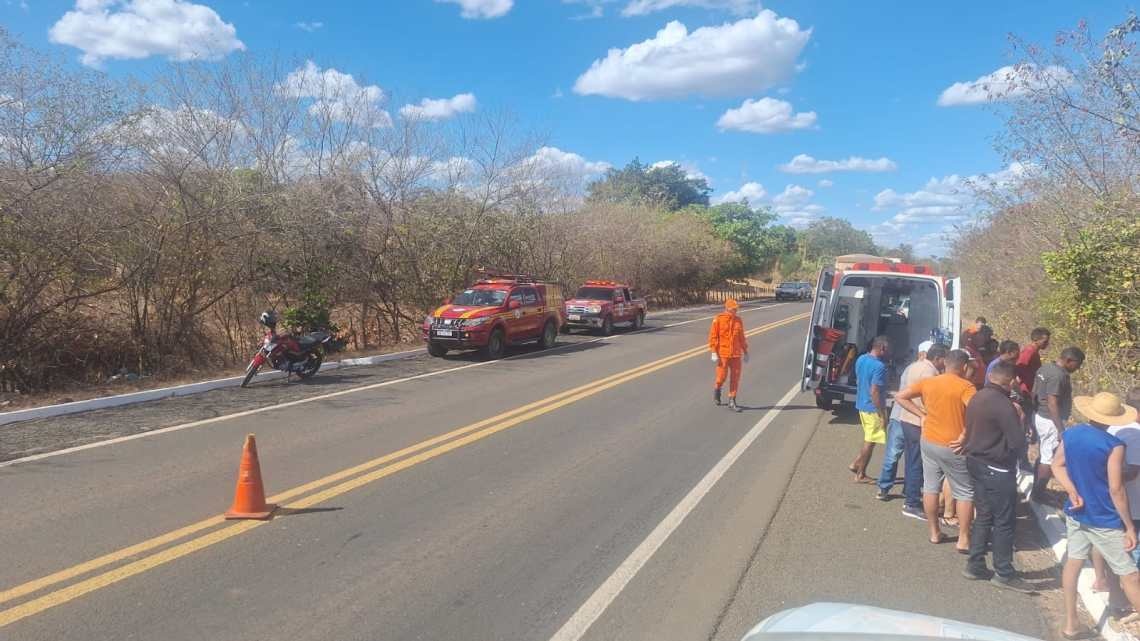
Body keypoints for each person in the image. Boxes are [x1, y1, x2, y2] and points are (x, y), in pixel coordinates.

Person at [1053, 391, 1140, 640]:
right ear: (1114, 418)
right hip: (1103, 517)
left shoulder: (1071, 434)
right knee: (1130, 573)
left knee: (1074, 563)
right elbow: (1116, 489)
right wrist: (1128, 526)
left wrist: (1071, 491)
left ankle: (1070, 624)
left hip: (1076, 512)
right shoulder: (1114, 445)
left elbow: (1057, 465)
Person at [961, 361, 1036, 592]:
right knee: (1004, 521)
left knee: (984, 515)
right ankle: (1004, 572)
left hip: (975, 461)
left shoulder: (978, 396)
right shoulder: (1004, 405)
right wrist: (1021, 421)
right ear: (1010, 380)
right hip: (997, 467)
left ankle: (975, 564)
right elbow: (1017, 442)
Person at [895, 349, 977, 552]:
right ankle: (963, 538)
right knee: (965, 491)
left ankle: (934, 532)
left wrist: (921, 414)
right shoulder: (966, 387)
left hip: (929, 440)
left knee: (931, 487)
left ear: (946, 364)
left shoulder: (930, 382)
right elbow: (977, 412)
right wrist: (965, 434)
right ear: (964, 367)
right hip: (954, 445)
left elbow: (900, 396)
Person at [877, 342, 945, 519]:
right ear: (937, 358)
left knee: (910, 459)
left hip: (906, 419)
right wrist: (923, 414)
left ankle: (909, 491)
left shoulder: (913, 367)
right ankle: (912, 503)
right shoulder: (930, 373)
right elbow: (931, 400)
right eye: (943, 360)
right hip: (917, 422)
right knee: (917, 463)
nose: (944, 364)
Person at [1031, 347, 1086, 502]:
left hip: (1040, 416)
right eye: (1078, 364)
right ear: (1069, 360)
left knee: (1044, 453)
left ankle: (1037, 488)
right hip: (1050, 420)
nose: (1078, 368)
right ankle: (1038, 494)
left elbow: (1034, 392)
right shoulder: (1058, 375)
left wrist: (1034, 415)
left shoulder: (1045, 367)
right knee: (1048, 459)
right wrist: (1060, 429)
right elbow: (1052, 402)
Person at [851, 336, 890, 483]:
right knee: (870, 441)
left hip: (861, 404)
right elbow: (874, 391)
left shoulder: (861, 359)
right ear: (882, 349)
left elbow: (859, 379)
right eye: (887, 350)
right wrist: (882, 413)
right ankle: (860, 474)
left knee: (870, 438)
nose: (888, 352)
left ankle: (855, 463)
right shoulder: (879, 367)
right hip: (872, 408)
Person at [708, 298, 748, 412]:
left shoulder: (738, 320)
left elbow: (741, 337)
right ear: (727, 309)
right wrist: (713, 351)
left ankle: (732, 400)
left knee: (735, 378)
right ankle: (717, 389)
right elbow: (713, 336)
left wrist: (745, 351)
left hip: (735, 354)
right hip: (723, 354)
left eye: (736, 309)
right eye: (733, 309)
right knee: (721, 377)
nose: (735, 311)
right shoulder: (718, 320)